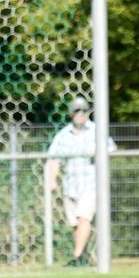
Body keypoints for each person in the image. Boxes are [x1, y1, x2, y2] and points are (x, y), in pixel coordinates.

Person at [44, 97, 118, 267]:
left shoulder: (96, 131)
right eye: (78, 111)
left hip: (92, 184)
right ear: (71, 114)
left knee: (84, 217)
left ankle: (77, 256)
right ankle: (84, 257)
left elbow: (111, 149)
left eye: (84, 111)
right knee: (76, 224)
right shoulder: (63, 135)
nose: (81, 115)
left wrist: (98, 152)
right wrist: (53, 181)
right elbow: (54, 159)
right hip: (71, 186)